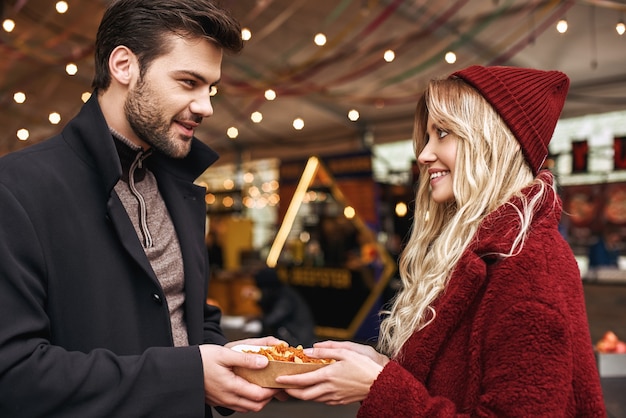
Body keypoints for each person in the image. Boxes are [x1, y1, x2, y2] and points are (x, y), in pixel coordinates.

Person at [0, 1, 284, 416]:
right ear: (123, 66)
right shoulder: (16, 188)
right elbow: (14, 375)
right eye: (188, 82)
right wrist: (190, 375)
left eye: (211, 88)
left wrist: (230, 359)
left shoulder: (177, 187)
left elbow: (190, 319)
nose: (206, 106)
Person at [277, 66, 606, 416]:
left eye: (443, 133)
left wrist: (381, 386)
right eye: (428, 136)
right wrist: (379, 365)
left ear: (490, 141)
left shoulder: (529, 263)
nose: (423, 154)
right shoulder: (485, 249)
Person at [251, 267, 317, 348]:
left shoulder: (285, 297)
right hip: (295, 337)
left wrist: (261, 299)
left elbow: (273, 319)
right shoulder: (279, 292)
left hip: (299, 341)